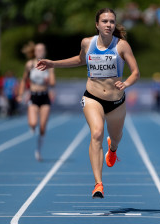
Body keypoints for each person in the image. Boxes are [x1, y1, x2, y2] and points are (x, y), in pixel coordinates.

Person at [36, 8, 140, 198]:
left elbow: (136, 73)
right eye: (105, 21)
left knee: (116, 137)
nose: (108, 25)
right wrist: (53, 63)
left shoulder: (122, 46)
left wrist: (125, 83)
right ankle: (98, 184)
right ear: (97, 25)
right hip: (92, 97)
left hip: (116, 101)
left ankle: (113, 149)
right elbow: (79, 60)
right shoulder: (87, 43)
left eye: (111, 22)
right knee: (97, 132)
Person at [17, 43, 56, 162]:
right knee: (33, 124)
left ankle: (38, 150)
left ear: (44, 52)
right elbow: (24, 80)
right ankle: (33, 125)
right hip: (33, 96)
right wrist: (20, 94)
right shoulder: (30, 64)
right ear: (34, 52)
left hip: (44, 97)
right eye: (37, 50)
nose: (39, 52)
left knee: (43, 127)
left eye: (42, 50)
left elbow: (53, 83)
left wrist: (48, 79)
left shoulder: (49, 65)